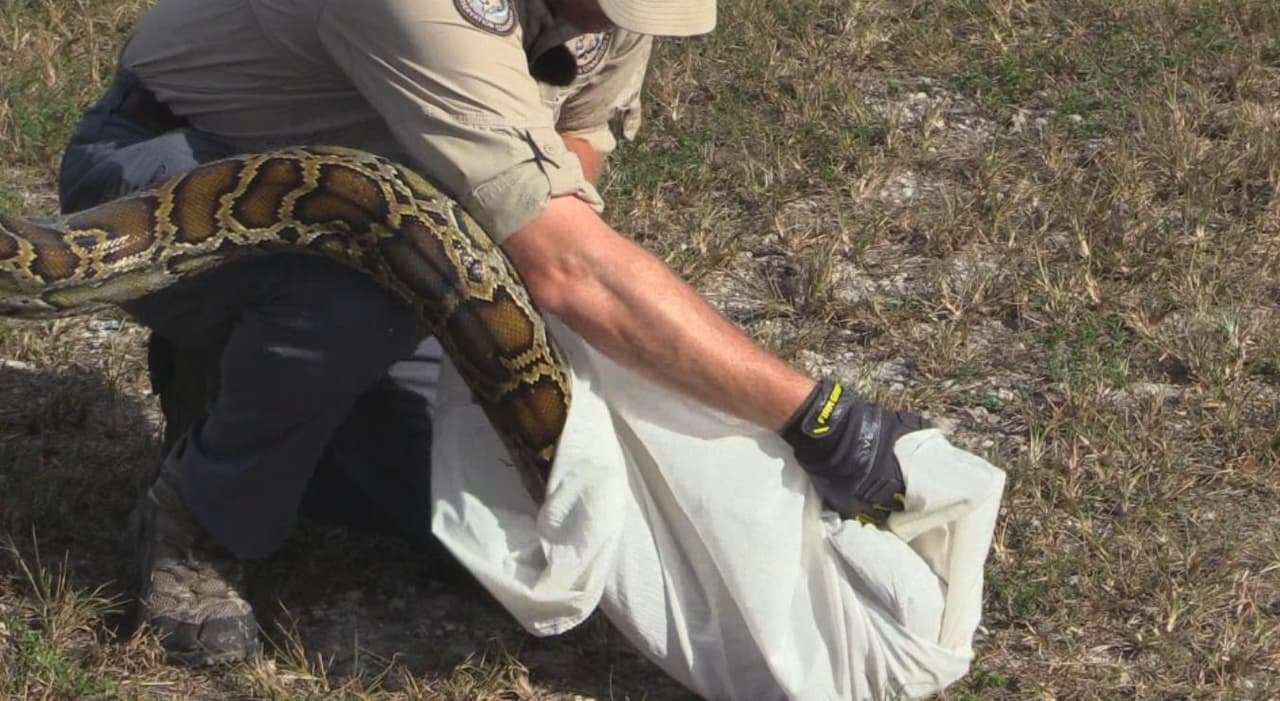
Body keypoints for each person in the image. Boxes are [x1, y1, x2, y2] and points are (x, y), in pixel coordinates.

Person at [58, 0, 929, 667]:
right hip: (171, 173)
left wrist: (536, 234)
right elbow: (567, 268)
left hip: (394, 214)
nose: (613, 21)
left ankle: (224, 385)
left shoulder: (607, 10)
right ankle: (200, 521)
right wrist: (820, 417)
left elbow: (580, 137)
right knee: (362, 302)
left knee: (463, 510)